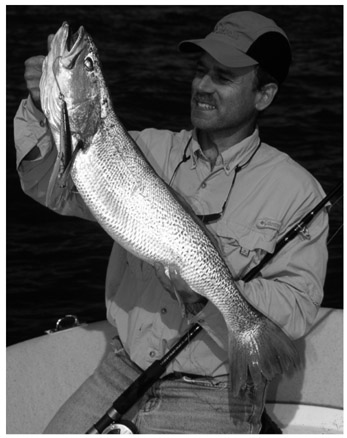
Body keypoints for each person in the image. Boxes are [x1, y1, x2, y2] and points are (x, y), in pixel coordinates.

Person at [14, 10, 329, 434]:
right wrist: (39, 109)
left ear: (264, 94)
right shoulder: (142, 149)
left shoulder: (297, 191)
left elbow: (298, 307)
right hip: (121, 371)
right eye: (200, 71)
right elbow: (49, 187)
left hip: (214, 394)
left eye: (223, 77)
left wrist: (214, 292)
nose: (202, 86)